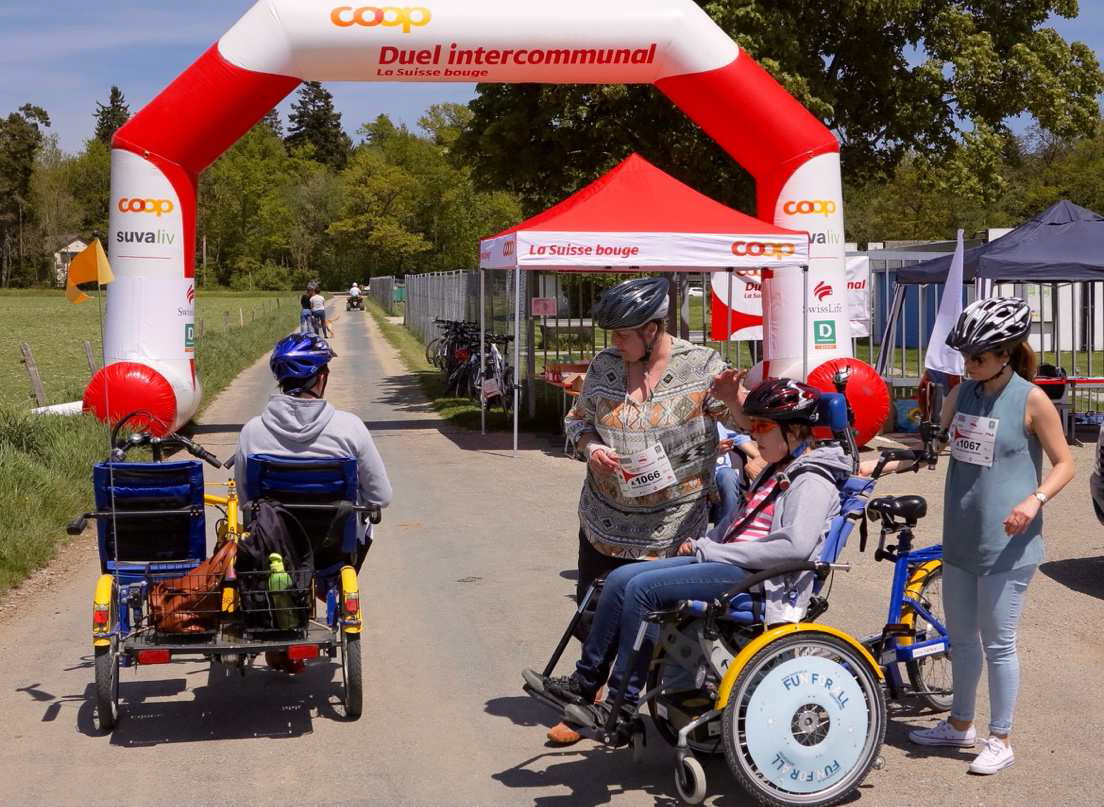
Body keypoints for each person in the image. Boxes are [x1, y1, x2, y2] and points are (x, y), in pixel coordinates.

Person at [525, 378, 852, 729]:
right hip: (734, 564)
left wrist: (714, 550)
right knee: (618, 578)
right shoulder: (779, 467)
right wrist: (708, 544)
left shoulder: (811, 480)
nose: (753, 434)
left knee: (643, 590)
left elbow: (795, 547)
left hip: (760, 579)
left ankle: (619, 708)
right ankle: (585, 683)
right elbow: (740, 524)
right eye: (752, 424)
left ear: (796, 430)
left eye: (763, 426)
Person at [868, 297, 1074, 775]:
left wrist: (1034, 500)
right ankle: (959, 724)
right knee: (961, 639)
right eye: (965, 357)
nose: (967, 365)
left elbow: (1065, 464)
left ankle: (1000, 737)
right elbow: (931, 451)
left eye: (977, 357)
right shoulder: (962, 393)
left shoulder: (1032, 399)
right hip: (960, 536)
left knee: (998, 642)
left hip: (1009, 542)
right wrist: (874, 466)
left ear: (1005, 352)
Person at [548, 275, 729, 744]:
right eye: (612, 335)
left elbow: (740, 416)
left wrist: (737, 401)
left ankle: (623, 711)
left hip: (670, 525)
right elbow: (578, 423)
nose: (615, 344)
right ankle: (588, 701)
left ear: (652, 329)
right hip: (604, 517)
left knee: (646, 623)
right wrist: (591, 449)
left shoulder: (700, 365)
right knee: (592, 615)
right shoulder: (605, 367)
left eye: (623, 335)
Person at [234, 333, 393, 671]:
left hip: (277, 547)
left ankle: (281, 629)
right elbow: (382, 496)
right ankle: (329, 586)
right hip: (333, 545)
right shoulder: (350, 428)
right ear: (321, 378)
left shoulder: (252, 432)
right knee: (364, 518)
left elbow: (248, 503)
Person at [711, 422, 764, 528]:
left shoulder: (719, 425)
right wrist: (712, 451)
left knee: (727, 475)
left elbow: (756, 453)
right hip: (703, 477)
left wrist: (755, 461)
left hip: (724, 481)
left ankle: (728, 529)